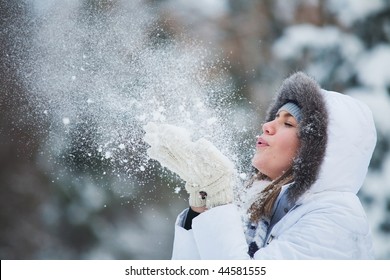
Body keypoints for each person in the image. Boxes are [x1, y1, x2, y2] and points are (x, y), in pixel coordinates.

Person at [143, 71, 377, 259]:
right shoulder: (266, 209)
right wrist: (202, 205)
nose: (268, 125)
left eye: (288, 123)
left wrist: (219, 201)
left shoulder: (335, 219)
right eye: (275, 117)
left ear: (316, 149)